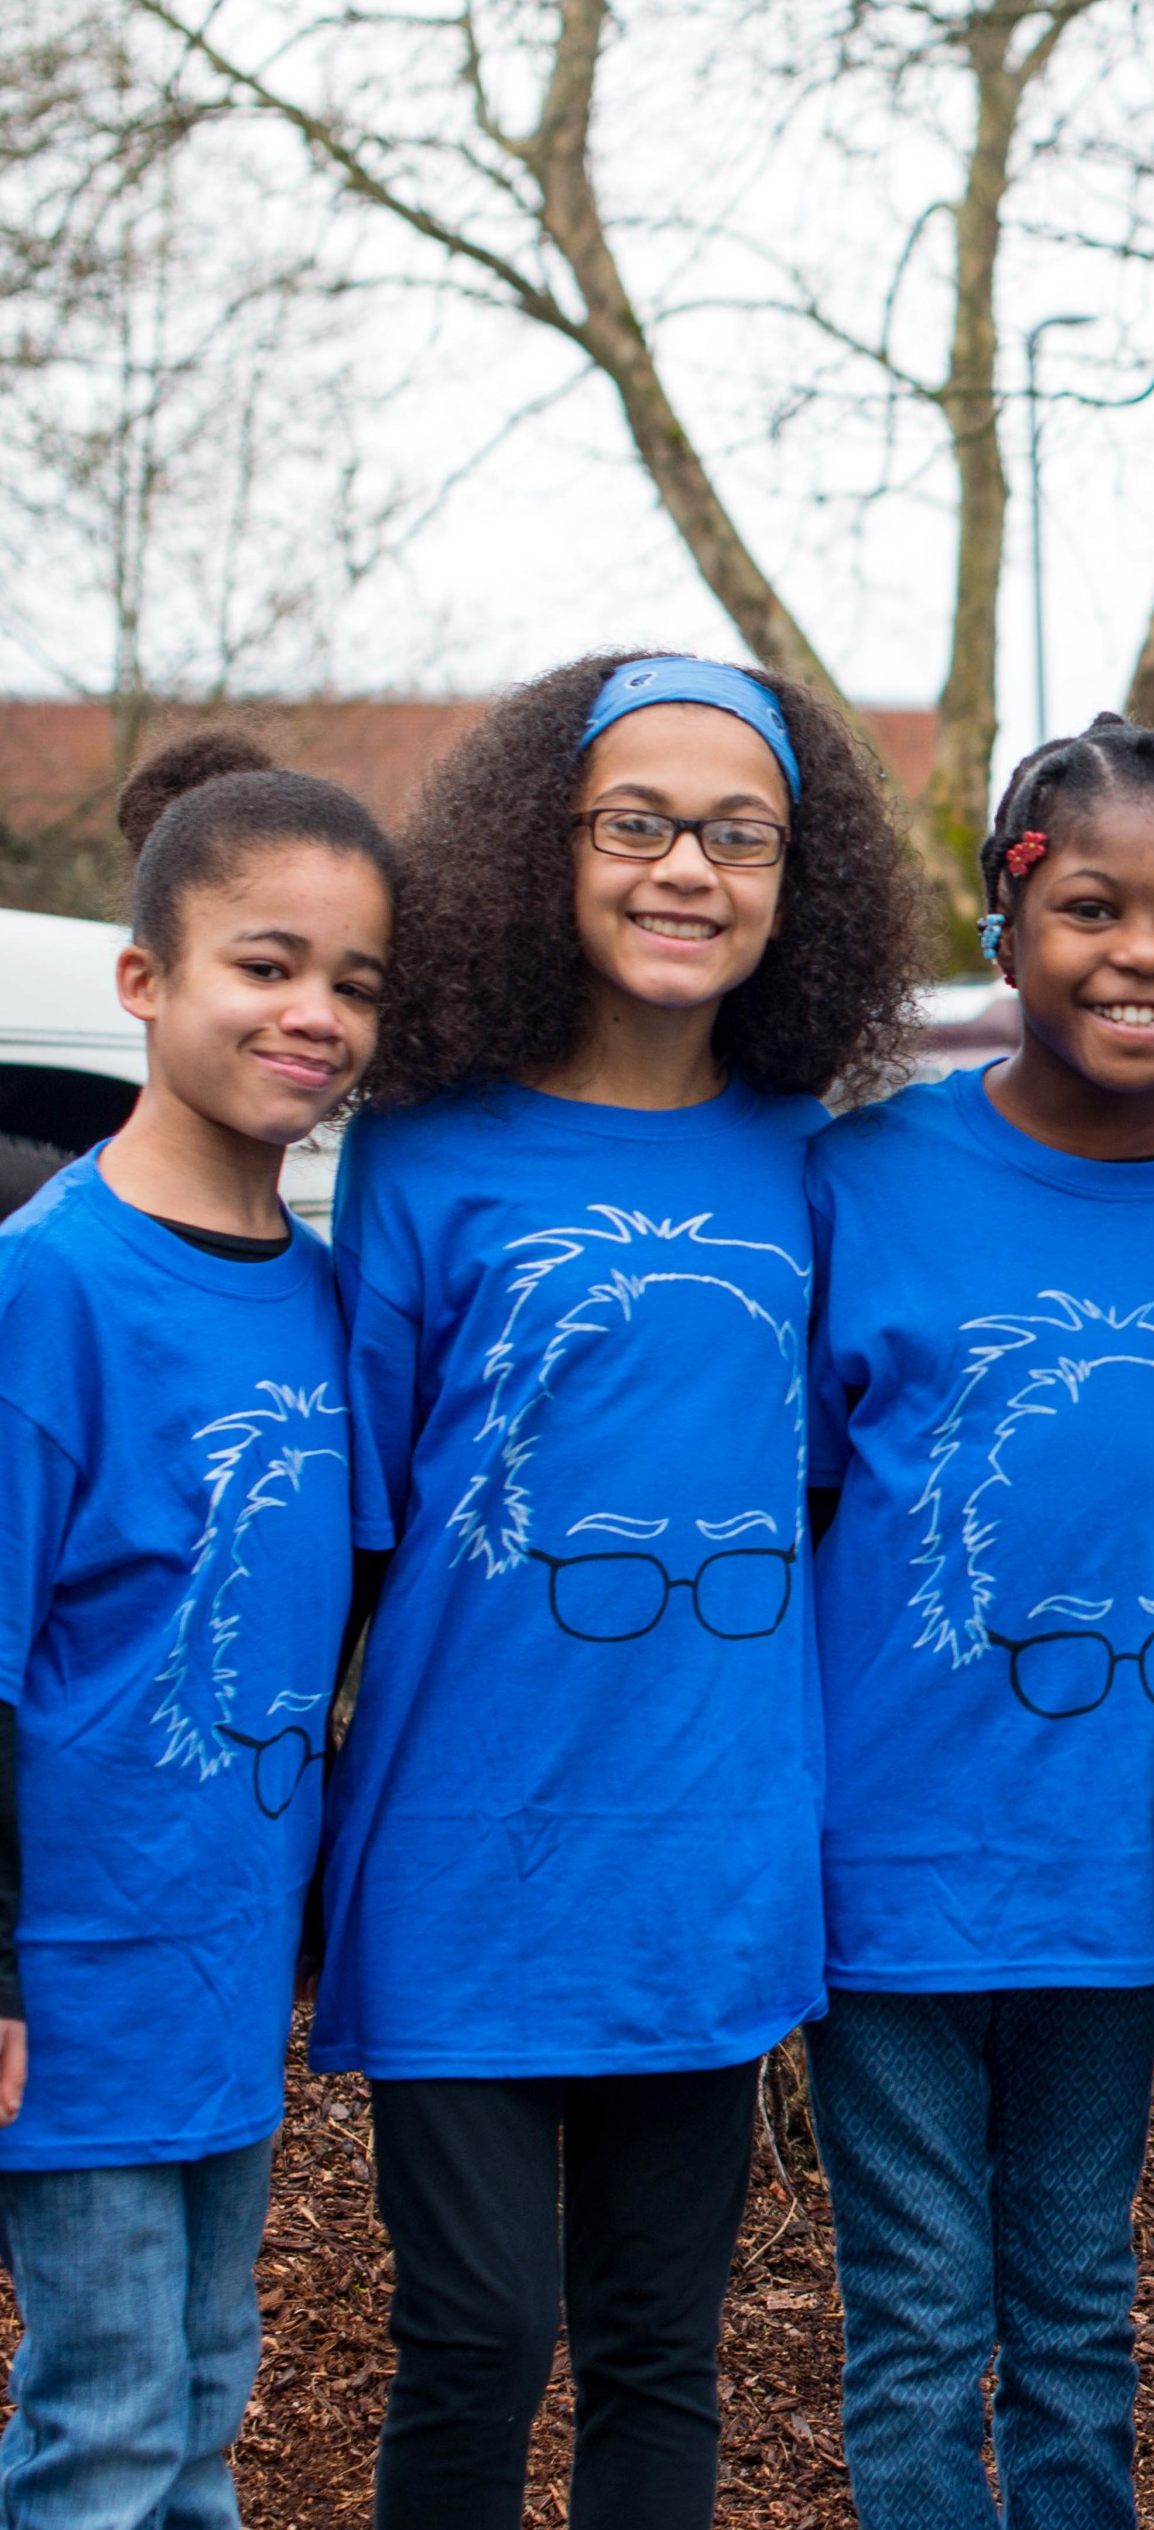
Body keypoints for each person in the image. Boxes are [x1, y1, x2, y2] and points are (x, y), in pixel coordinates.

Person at [318, 655, 919, 2529]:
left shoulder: (823, 1164)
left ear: (794, 880)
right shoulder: (420, 1155)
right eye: (635, 824)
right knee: (477, 2336)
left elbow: (833, 1488)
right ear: (542, 851)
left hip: (709, 1860)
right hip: (458, 1857)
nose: (687, 869)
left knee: (662, 2343)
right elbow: (356, 1525)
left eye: (739, 834)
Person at [802, 716, 1154, 2524]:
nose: (1144, 954)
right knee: (916, 2317)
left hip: (1107, 1863)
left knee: (1078, 2310)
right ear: (1007, 925)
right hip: (888, 1858)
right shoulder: (863, 1179)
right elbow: (798, 1518)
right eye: (1092, 907)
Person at [0, 735, 392, 2528]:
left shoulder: (322, 1294)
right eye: (266, 962)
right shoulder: (48, 1284)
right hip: (76, 1967)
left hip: (229, 1959)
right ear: (143, 979)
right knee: (101, 2413)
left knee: (205, 2397)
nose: (314, 1011)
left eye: (354, 980)